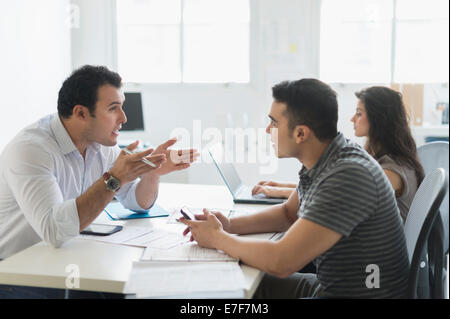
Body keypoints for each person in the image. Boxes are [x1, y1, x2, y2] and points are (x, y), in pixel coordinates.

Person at [181, 79, 410, 299]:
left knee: (233, 291)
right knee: (233, 283)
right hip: (331, 286)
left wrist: (218, 238)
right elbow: (288, 214)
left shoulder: (347, 175)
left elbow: (282, 262)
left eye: (274, 122)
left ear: (301, 133)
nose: (267, 130)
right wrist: (229, 226)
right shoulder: (328, 159)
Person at [0, 65, 199, 261]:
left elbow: (136, 201)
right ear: (81, 114)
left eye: (122, 107)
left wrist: (152, 172)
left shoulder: (100, 145)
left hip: (58, 260)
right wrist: (114, 178)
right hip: (14, 273)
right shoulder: (31, 150)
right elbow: (54, 231)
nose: (123, 118)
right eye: (113, 109)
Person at [351, 86, 424, 222]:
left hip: (387, 243)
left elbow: (352, 202)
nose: (352, 119)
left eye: (359, 114)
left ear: (378, 119)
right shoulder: (393, 159)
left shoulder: (391, 171)